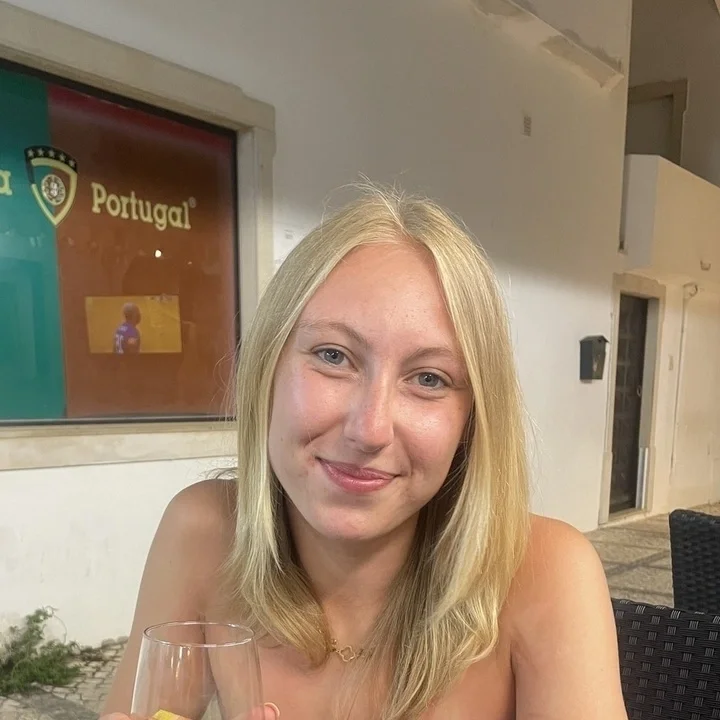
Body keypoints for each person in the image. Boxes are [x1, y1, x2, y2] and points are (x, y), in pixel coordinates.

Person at [101, 185, 628, 719]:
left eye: (429, 378)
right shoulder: (205, 533)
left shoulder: (547, 573)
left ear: (472, 419)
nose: (369, 430)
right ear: (266, 370)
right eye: (334, 356)